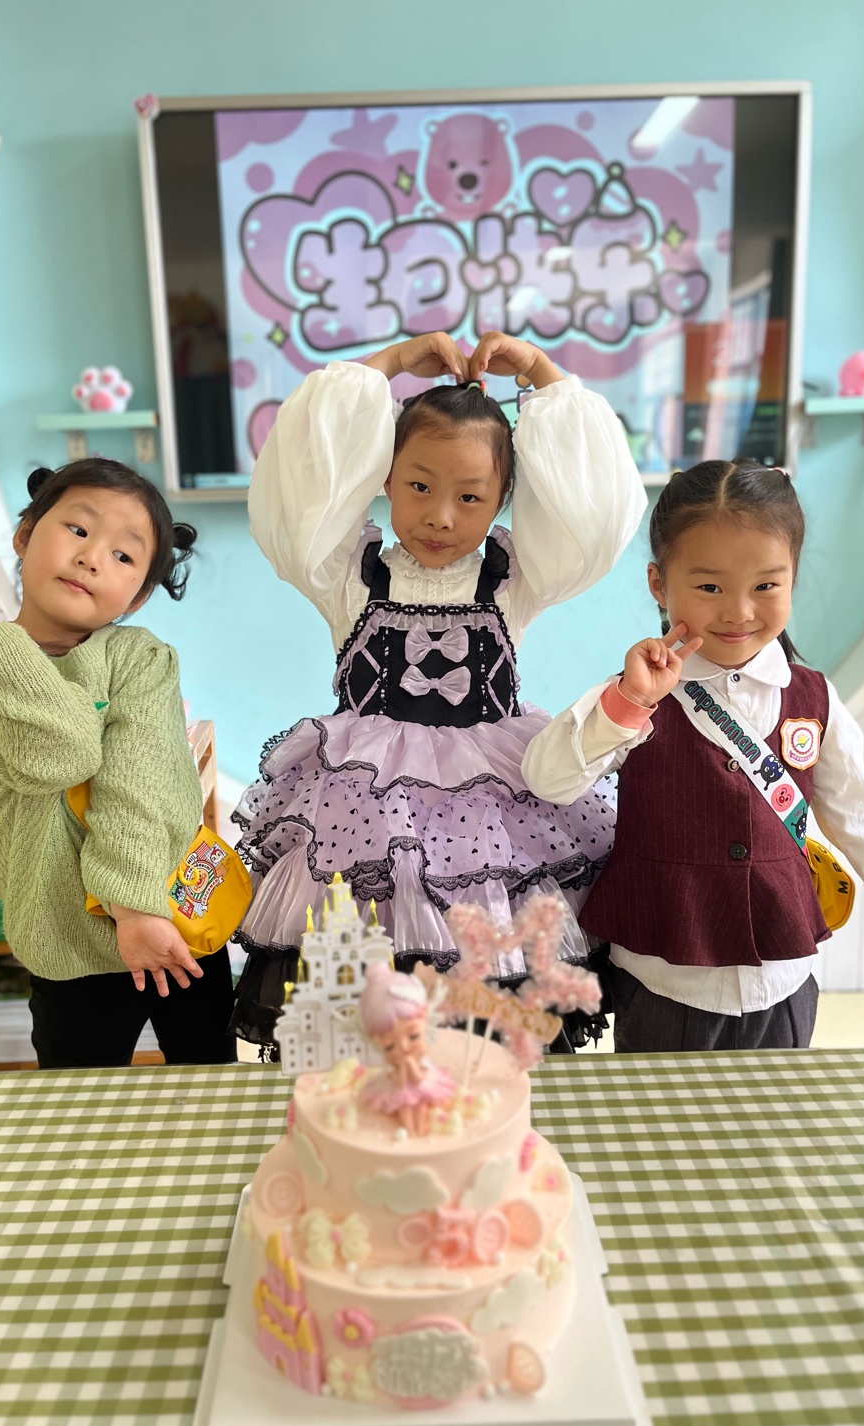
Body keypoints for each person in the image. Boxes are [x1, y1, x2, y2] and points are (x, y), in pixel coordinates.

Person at [229, 329, 646, 1051]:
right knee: (365, 1025)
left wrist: (541, 372)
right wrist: (388, 364)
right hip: (362, 814)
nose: (441, 516)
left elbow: (596, 514)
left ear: (504, 500)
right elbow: (306, 473)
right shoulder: (347, 576)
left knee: (489, 1015)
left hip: (497, 815)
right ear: (384, 477)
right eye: (419, 486)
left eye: (470, 496)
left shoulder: (515, 580)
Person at [521, 459, 864, 1051]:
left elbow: (863, 812)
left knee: (776, 1111)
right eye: (710, 587)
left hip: (784, 977)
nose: (739, 611)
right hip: (661, 976)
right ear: (658, 583)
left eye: (766, 586)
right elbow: (547, 778)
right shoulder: (633, 694)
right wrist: (629, 701)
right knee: (657, 1111)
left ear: (792, 578)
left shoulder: (813, 697)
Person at [0, 459, 237, 1068]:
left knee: (209, 1078)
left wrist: (133, 907)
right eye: (78, 530)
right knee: (78, 1093)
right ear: (24, 536)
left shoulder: (140, 658)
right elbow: (56, 759)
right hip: (62, 938)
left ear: (138, 595)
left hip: (171, 916)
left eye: (123, 555)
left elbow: (139, 790)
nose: (92, 558)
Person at [359, 963, 454, 1137]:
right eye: (389, 1046)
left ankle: (420, 1130)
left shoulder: (421, 1058)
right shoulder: (395, 1063)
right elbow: (401, 1084)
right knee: (405, 1108)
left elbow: (418, 1078)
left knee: (422, 1105)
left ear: (425, 1017)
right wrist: (402, 1068)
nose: (403, 1047)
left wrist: (411, 1065)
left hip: (421, 1083)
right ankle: (411, 1130)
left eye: (413, 1036)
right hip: (401, 1089)